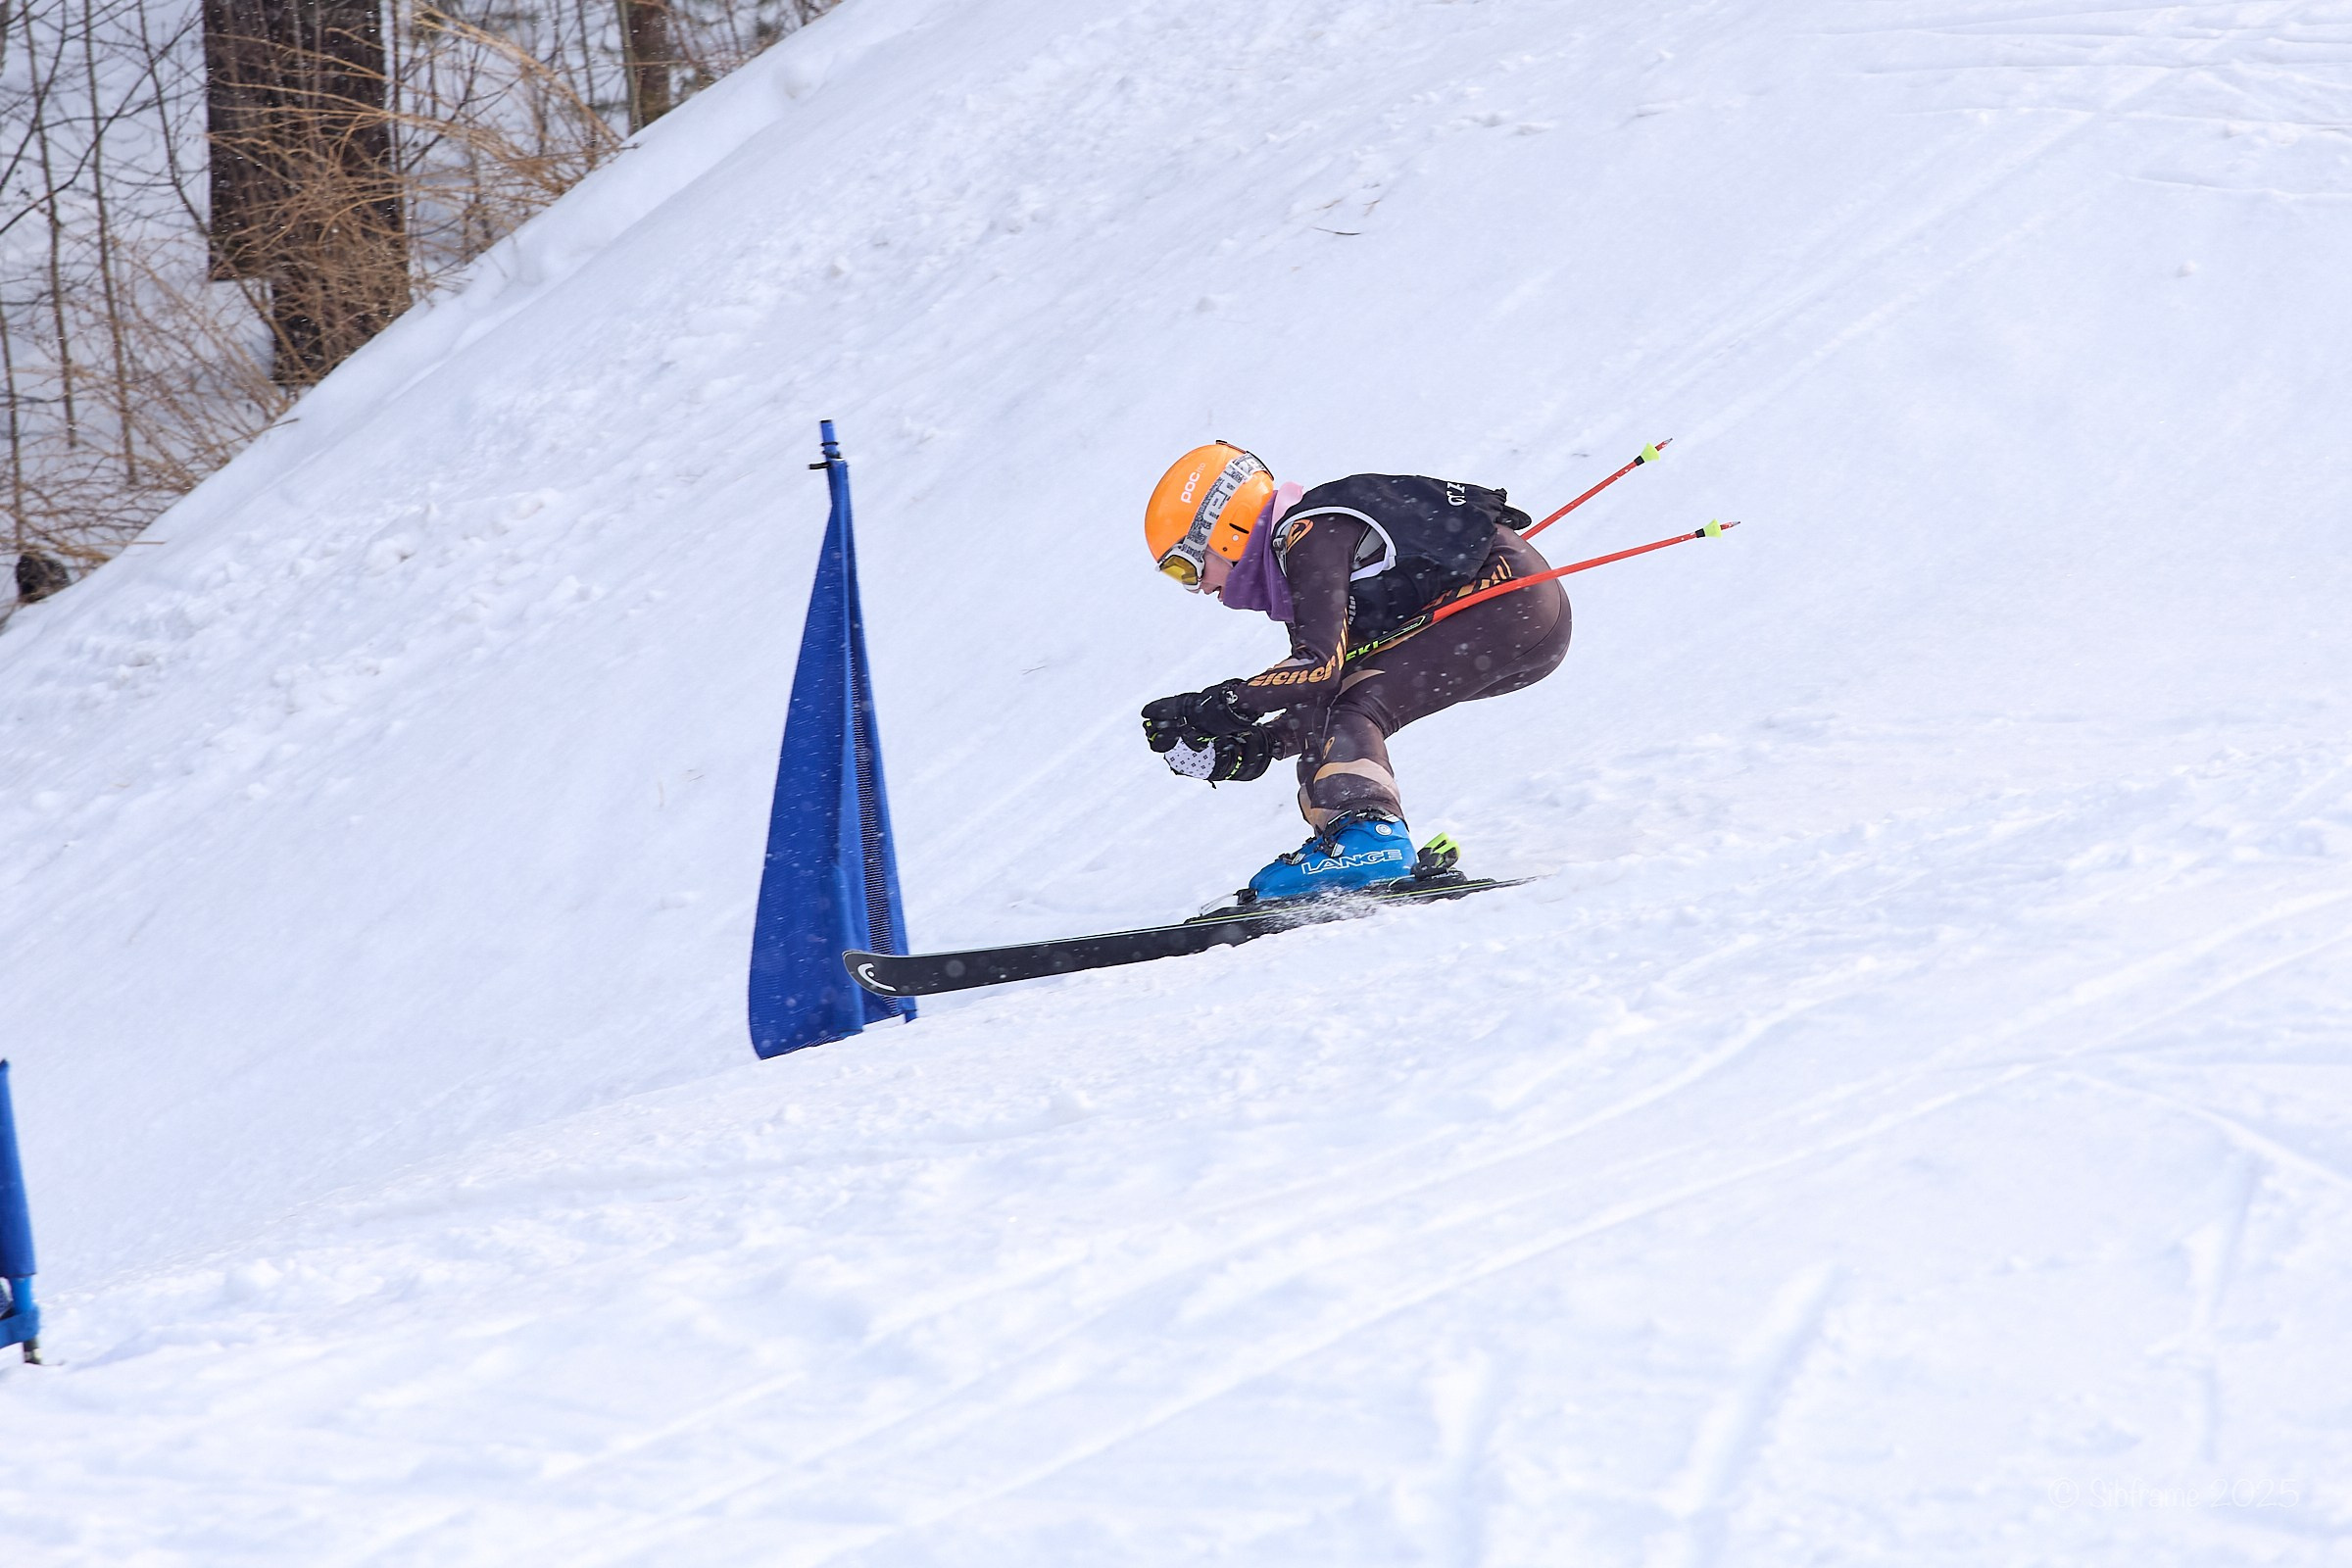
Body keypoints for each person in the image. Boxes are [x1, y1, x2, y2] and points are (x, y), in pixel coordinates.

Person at [1140, 441, 1572, 902]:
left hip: (1507, 604)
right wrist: (1256, 744)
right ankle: (1346, 840)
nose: (1198, 588)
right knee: (1336, 706)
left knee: (1350, 704)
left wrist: (1218, 708)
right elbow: (1314, 694)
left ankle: (1371, 842)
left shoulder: (1309, 535)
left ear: (1227, 531)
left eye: (1186, 567)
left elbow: (1316, 669)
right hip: (1515, 620)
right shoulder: (1294, 566)